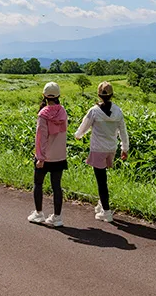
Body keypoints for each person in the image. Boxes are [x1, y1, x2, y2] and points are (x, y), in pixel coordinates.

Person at [74, 81, 129, 223]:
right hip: (111, 149)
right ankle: (101, 204)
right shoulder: (118, 111)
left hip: (98, 149)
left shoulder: (94, 111)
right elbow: (123, 131)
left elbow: (84, 126)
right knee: (103, 179)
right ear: (112, 95)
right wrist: (125, 148)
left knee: (101, 181)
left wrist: (78, 135)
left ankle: (106, 211)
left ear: (98, 95)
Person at [28, 81, 69, 227]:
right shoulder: (63, 112)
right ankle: (57, 217)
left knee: (38, 183)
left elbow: (40, 138)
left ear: (44, 95)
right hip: (60, 156)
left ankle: (39, 213)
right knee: (56, 186)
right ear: (58, 95)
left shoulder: (43, 114)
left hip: (45, 157)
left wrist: (40, 158)